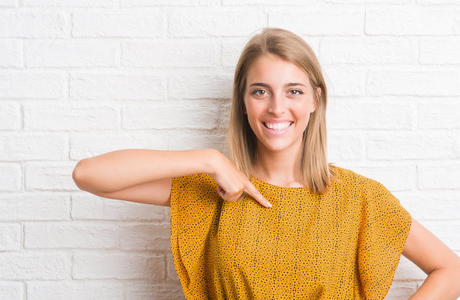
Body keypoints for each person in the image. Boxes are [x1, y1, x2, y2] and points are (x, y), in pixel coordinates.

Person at [72, 28, 460, 299]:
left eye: (293, 91)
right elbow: (89, 175)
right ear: (243, 101)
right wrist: (209, 159)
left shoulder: (359, 198)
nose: (277, 107)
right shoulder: (214, 190)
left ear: (315, 100)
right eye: (261, 91)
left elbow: (451, 270)